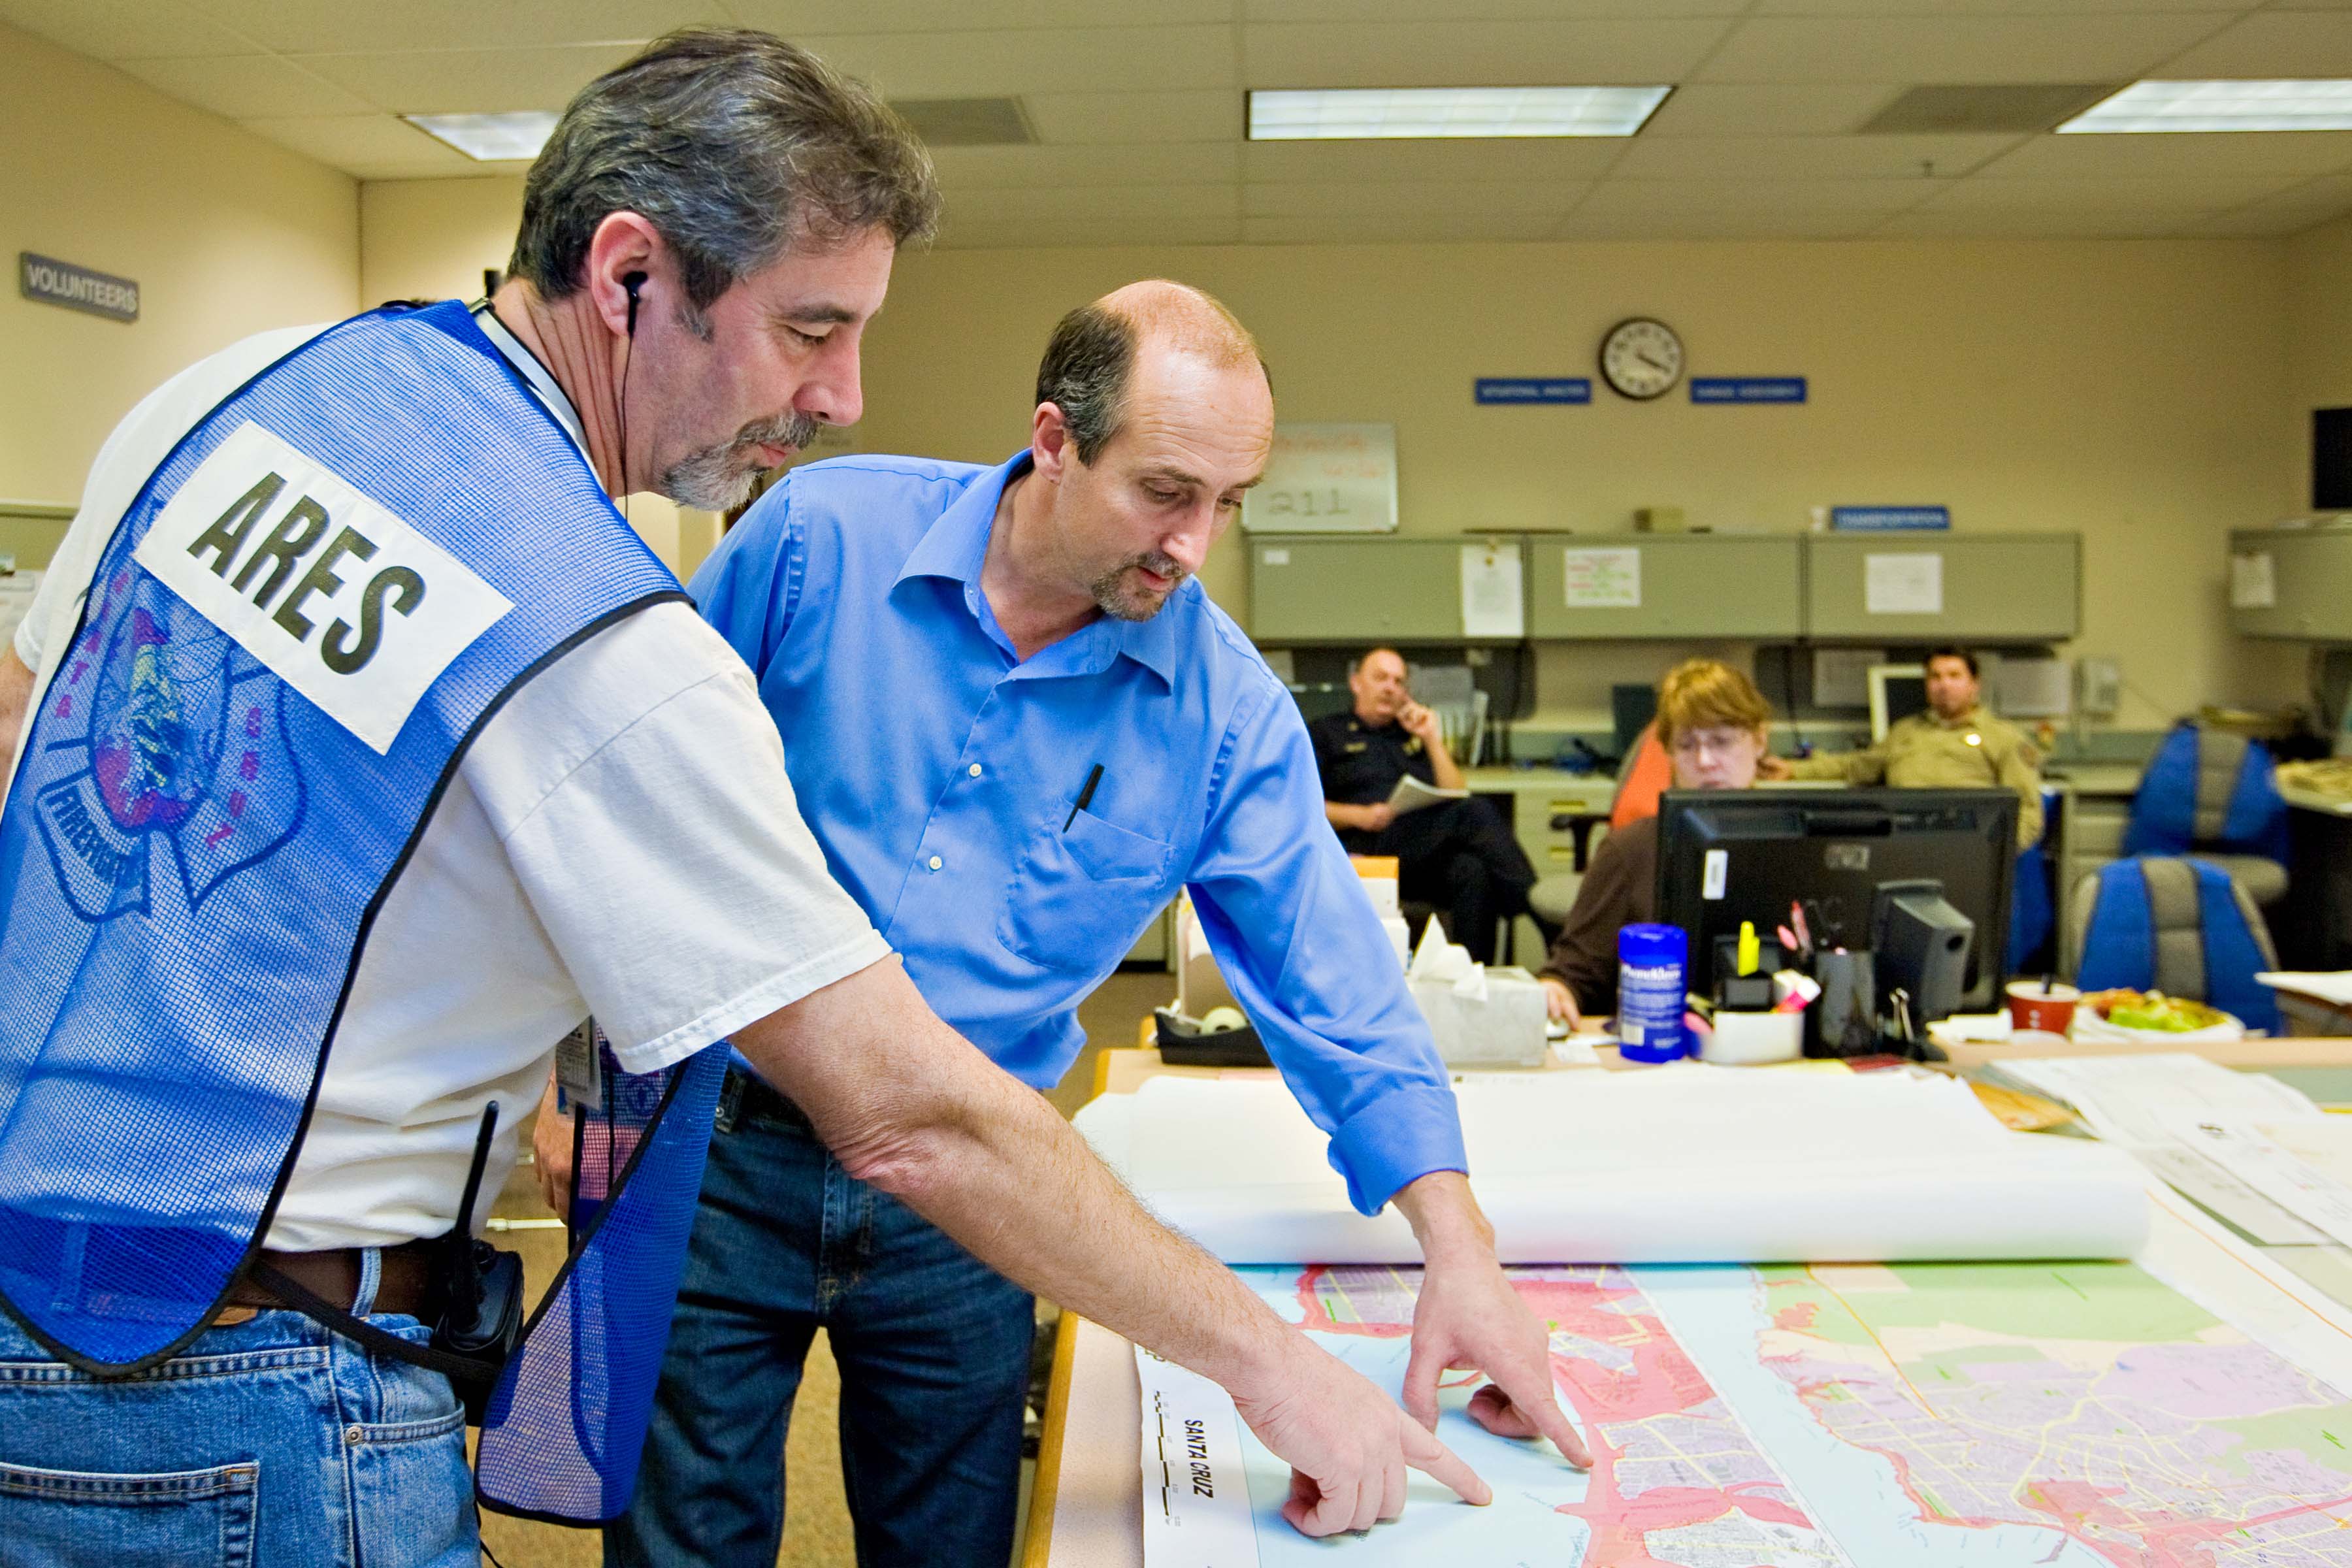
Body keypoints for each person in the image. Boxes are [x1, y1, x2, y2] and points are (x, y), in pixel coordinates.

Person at [0, 34, 1494, 1563]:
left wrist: (1455, 1233)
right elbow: (908, 1108)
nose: (843, 395)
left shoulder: (233, 394)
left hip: (36, 1296)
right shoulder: (610, 633)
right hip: (291, 1377)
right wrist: (1274, 1368)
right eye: (810, 329)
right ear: (630, 276)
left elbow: (26, 736)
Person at [561, 281, 1590, 1568]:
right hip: (713, 1143)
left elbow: (1337, 987)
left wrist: (1460, 1246)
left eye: (1229, 502)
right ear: (1055, 439)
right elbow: (626, 808)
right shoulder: (819, 541)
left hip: (983, 1192)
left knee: (952, 1543)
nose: (1194, 544)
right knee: (681, 1540)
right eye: (1165, 491)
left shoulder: (1224, 714)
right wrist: (575, 1082)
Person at [1539, 659, 1773, 1028]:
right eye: (1687, 745)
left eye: (1722, 741)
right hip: (1660, 1041)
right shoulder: (1631, 850)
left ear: (1759, 741)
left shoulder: (1798, 843)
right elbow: (1572, 972)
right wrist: (1556, 990)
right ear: (1669, 754)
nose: (1705, 761)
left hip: (1779, 1041)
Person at [1311, 647, 1535, 962]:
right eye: (1381, 678)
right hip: (1363, 848)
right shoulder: (1325, 733)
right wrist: (1359, 816)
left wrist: (1431, 737)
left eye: (1398, 681)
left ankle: (1472, 974)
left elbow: (1455, 793)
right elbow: (1300, 807)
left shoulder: (1409, 735)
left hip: (1418, 848)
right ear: (1356, 683)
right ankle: (1533, 906)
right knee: (1476, 812)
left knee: (1472, 870)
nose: (1390, 687)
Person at [1765, 645, 2044, 846]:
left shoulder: (2004, 739)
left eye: (1954, 676)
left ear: (1974, 685)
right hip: (1903, 841)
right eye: (1935, 677)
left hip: (1967, 846)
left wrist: (1995, 854)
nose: (1944, 685)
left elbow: (2029, 813)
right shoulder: (1905, 732)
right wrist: (1793, 770)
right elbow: (1857, 766)